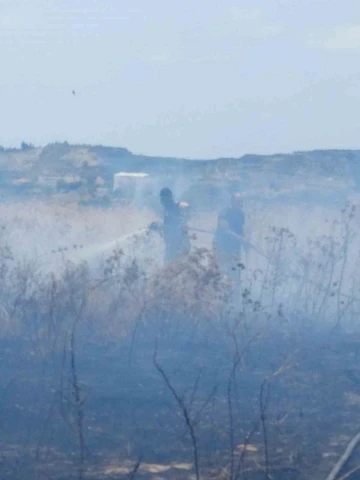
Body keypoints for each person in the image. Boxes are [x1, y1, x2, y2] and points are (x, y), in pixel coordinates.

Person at [149, 187, 191, 262]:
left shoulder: (177, 207)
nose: (161, 201)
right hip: (171, 245)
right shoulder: (167, 210)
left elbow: (174, 226)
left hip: (179, 245)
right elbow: (167, 225)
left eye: (163, 199)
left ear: (168, 198)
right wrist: (157, 225)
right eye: (161, 198)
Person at [213, 192, 246, 276]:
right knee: (220, 272)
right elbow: (223, 226)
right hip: (222, 247)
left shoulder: (241, 214)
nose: (240, 204)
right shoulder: (224, 212)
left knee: (235, 274)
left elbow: (241, 229)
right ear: (232, 202)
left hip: (235, 249)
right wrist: (235, 235)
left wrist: (244, 241)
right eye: (238, 202)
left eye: (241, 202)